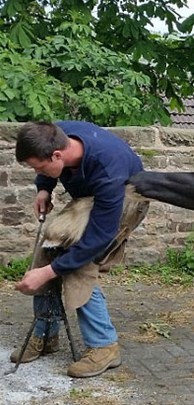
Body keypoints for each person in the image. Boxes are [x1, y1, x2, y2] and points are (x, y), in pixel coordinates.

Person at [11, 121, 149, 378]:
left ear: (57, 156)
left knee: (81, 264)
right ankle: (46, 335)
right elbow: (46, 169)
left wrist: (49, 273)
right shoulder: (55, 135)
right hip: (89, 198)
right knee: (47, 253)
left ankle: (104, 346)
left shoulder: (108, 167)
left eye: (39, 168)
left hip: (127, 199)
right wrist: (44, 188)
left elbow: (98, 238)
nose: (36, 170)